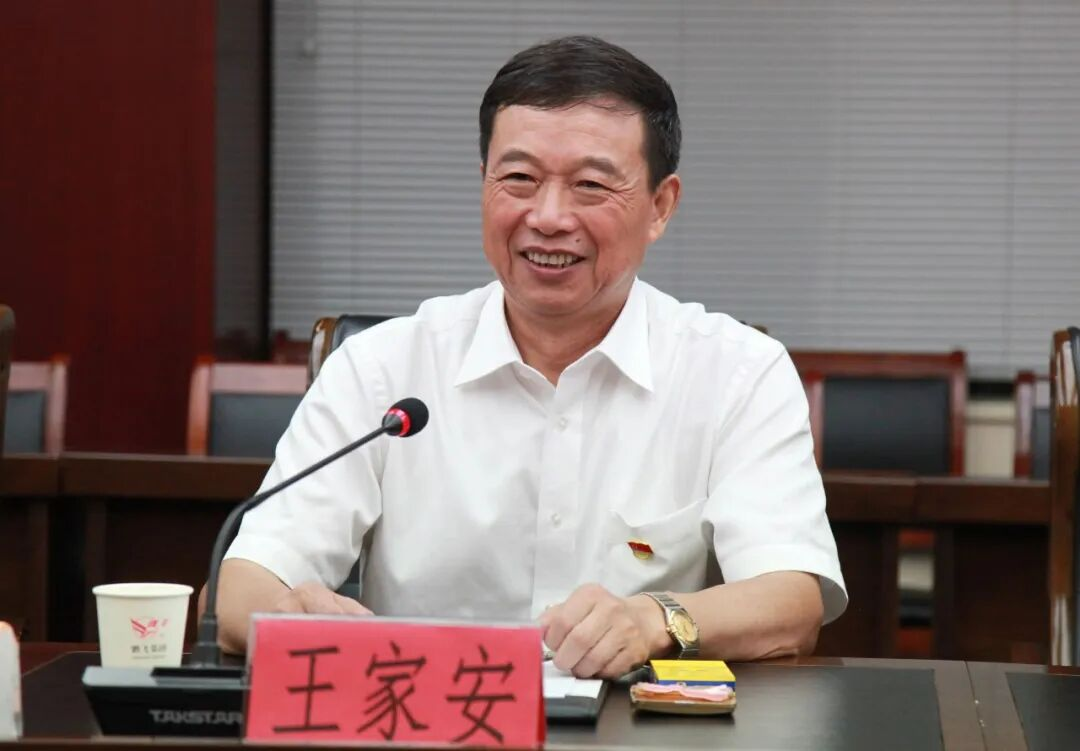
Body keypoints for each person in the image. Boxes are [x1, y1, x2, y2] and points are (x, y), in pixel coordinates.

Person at [206, 35, 847, 678]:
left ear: (660, 206)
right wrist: (287, 614)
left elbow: (790, 601)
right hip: (427, 715)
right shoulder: (381, 370)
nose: (547, 217)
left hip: (640, 723)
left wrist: (655, 619)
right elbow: (241, 585)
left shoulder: (737, 373)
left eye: (591, 185)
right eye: (519, 179)